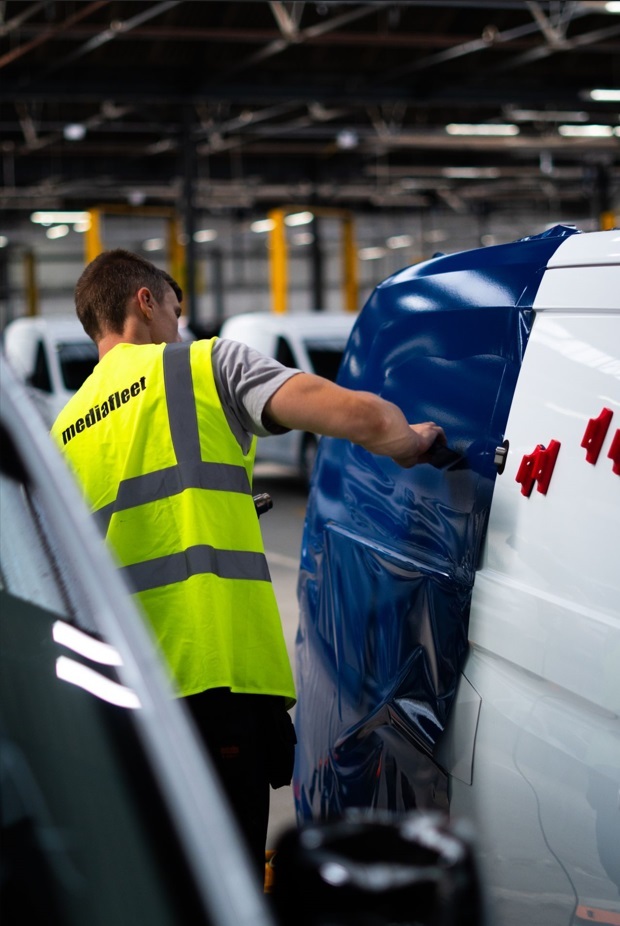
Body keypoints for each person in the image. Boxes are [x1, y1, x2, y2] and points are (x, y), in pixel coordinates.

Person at [50, 248, 446, 881]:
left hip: (120, 699)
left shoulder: (62, 431)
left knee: (157, 881)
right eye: (175, 312)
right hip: (214, 680)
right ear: (144, 302)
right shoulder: (204, 365)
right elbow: (352, 414)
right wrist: (410, 440)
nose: (179, 328)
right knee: (228, 879)